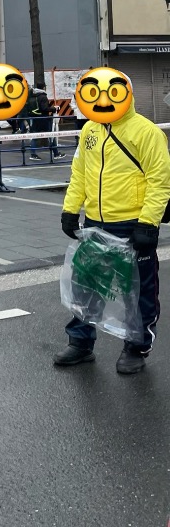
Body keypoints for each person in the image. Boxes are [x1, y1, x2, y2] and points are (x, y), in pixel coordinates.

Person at [55, 89, 170, 374]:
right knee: (86, 285)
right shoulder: (89, 130)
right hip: (95, 222)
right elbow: (79, 172)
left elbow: (160, 181)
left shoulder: (146, 132)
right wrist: (70, 210)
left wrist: (148, 223)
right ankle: (80, 342)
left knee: (140, 291)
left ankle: (137, 347)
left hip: (133, 224)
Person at [28, 84, 65, 162]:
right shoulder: (43, 96)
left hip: (34, 118)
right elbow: (44, 108)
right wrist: (53, 109)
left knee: (34, 136)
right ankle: (56, 153)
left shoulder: (32, 95)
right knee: (51, 135)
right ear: (44, 87)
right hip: (43, 119)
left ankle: (33, 154)